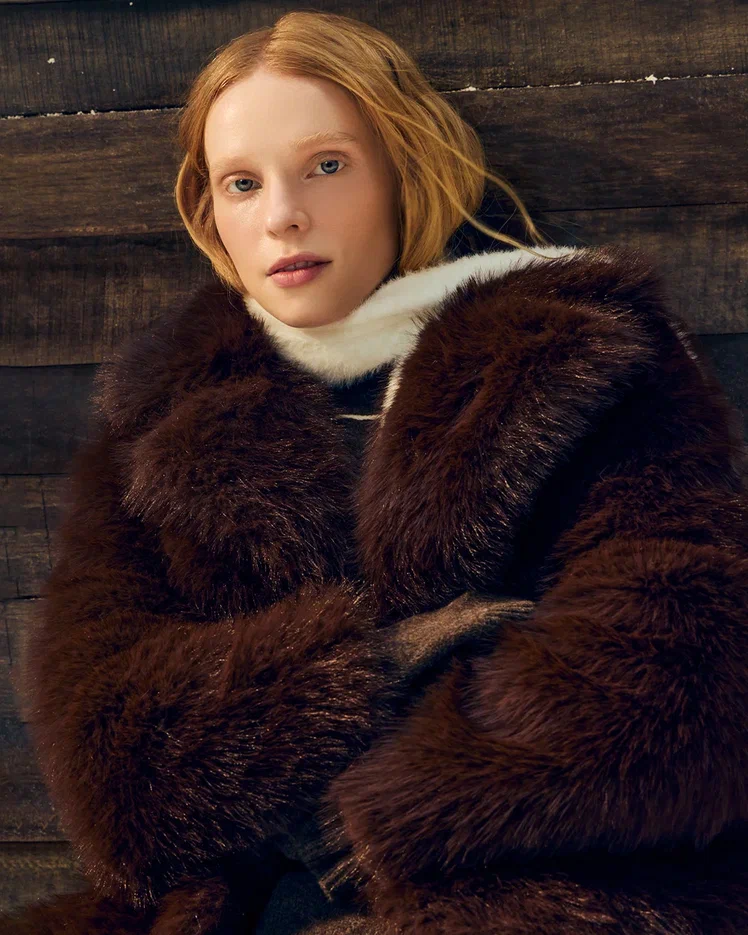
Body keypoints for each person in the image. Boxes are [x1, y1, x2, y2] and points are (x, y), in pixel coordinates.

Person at [5, 10, 748, 935]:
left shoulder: (579, 350)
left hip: (538, 895)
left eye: (326, 165)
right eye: (243, 182)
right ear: (212, 210)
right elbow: (104, 747)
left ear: (404, 168)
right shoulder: (163, 410)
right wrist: (381, 663)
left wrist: (381, 804)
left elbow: (684, 661)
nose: (282, 213)